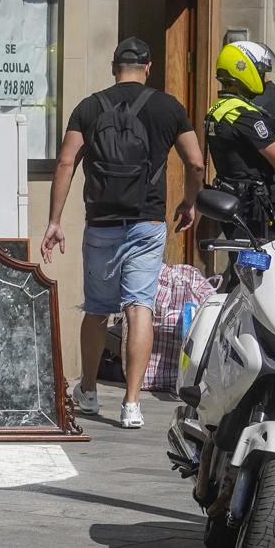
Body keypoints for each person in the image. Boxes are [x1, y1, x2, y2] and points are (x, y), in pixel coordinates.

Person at [41, 36, 205, 429]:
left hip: (101, 222)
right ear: (148, 67)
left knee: (97, 308)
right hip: (147, 222)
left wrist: (54, 220)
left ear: (114, 67)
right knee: (139, 307)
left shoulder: (89, 107)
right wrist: (189, 202)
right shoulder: (168, 108)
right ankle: (132, 403)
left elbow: (66, 163)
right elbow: (196, 162)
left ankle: (91, 392)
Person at [207, 41, 275, 239]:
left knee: (239, 264)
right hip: (250, 207)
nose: (264, 80)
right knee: (259, 267)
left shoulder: (220, 108)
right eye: (261, 73)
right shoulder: (243, 114)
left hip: (231, 200)